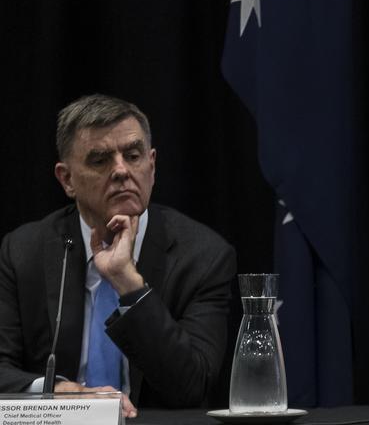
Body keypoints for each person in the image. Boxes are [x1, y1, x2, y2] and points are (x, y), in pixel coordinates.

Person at [0, 94, 236, 417]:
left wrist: (129, 283)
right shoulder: (24, 251)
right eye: (100, 160)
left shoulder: (203, 256)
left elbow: (191, 385)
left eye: (133, 155)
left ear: (151, 165)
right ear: (66, 179)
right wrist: (56, 390)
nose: (122, 171)